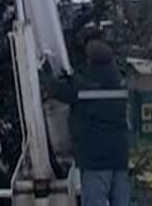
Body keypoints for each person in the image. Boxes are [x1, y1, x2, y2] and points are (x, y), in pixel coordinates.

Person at [56, 38, 134, 206]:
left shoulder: (87, 85)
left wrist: (45, 76)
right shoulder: (118, 83)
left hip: (96, 161)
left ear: (90, 60)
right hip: (119, 159)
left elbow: (61, 91)